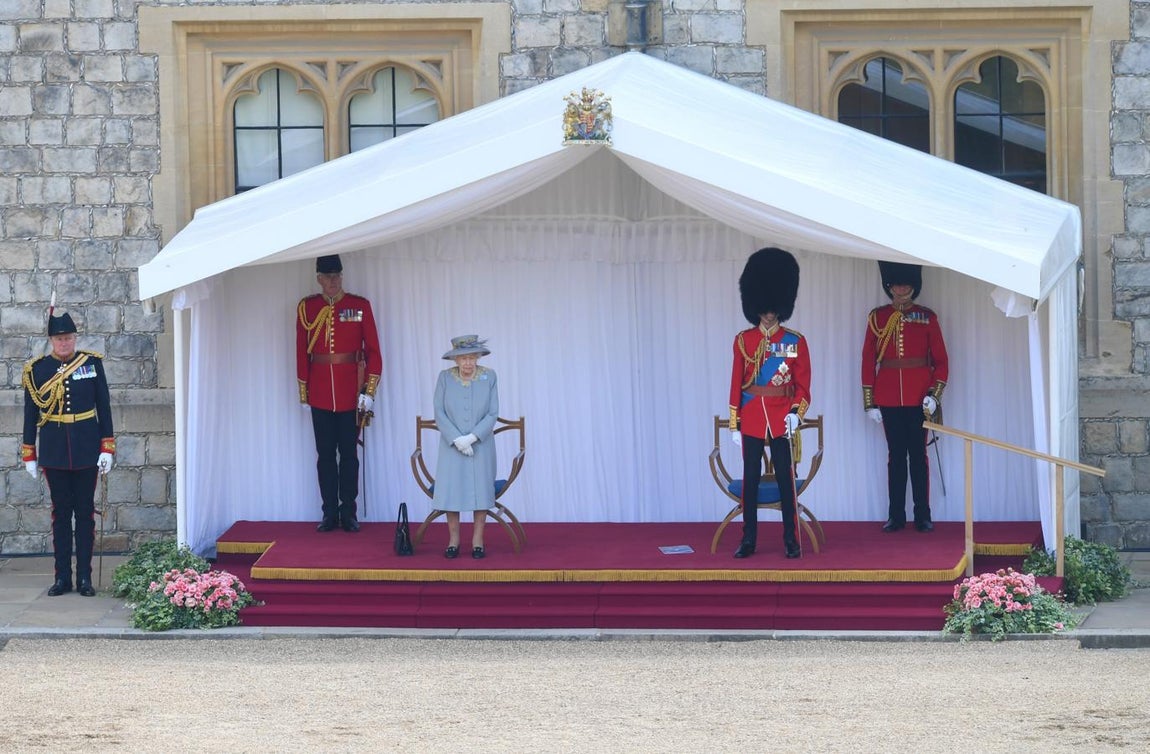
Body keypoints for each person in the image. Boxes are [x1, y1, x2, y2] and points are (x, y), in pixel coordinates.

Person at [21, 311, 115, 597]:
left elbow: (104, 407)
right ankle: (62, 577)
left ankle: (85, 577)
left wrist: (107, 447)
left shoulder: (91, 364)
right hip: (54, 450)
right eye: (59, 338)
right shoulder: (37, 370)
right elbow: (30, 413)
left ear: (75, 338)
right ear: (51, 340)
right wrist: (29, 453)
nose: (64, 343)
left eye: (69, 338)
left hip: (87, 448)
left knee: (85, 514)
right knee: (60, 515)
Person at [728, 247, 811, 560]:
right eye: (764, 308)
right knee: (750, 481)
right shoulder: (743, 341)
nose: (769, 313)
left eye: (773, 308)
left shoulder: (795, 341)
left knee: (785, 481)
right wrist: (734, 423)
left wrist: (796, 414)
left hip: (781, 418)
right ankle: (748, 539)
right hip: (751, 417)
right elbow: (736, 384)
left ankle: (791, 539)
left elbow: (803, 386)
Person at [861, 261, 949, 533]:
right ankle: (896, 515)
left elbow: (941, 361)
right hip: (888, 397)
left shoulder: (927, 317)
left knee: (919, 456)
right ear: (890, 286)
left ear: (913, 286)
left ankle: (923, 514)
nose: (901, 289)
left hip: (918, 397)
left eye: (906, 284)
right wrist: (870, 402)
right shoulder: (878, 318)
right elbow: (867, 360)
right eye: (897, 284)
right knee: (896, 457)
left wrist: (934, 394)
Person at [296, 254, 382, 533]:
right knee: (324, 456)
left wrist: (369, 390)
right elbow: (301, 352)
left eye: (337, 276)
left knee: (349, 455)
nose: (333, 282)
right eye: (327, 277)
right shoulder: (307, 308)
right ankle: (329, 513)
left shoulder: (358, 306)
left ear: (341, 276)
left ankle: (349, 513)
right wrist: (304, 391)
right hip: (320, 393)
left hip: (350, 394)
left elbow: (373, 351)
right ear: (319, 279)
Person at [433, 335, 499, 560]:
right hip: (451, 447)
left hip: (481, 445)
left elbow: (493, 413)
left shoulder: (490, 376)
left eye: (472, 357)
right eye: (463, 358)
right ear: (456, 360)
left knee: (481, 490)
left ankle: (478, 541)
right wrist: (457, 440)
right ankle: (453, 541)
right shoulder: (444, 378)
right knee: (451, 491)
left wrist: (472, 437)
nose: (468, 363)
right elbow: (439, 412)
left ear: (478, 357)